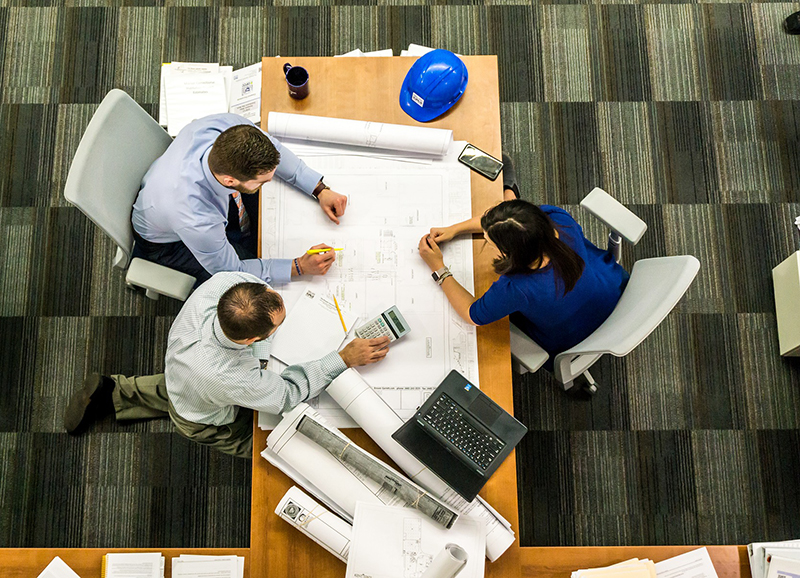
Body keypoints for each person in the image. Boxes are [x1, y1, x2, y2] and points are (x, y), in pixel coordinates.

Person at [64, 272, 390, 458]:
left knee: (182, 386)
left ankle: (115, 391)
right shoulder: (230, 377)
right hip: (203, 415)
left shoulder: (226, 284)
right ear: (250, 340)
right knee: (271, 445)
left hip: (184, 368)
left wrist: (259, 354)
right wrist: (343, 358)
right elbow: (287, 395)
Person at [417, 157, 629, 370]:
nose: (486, 242)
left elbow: (473, 315)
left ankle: (510, 190)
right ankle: (511, 191)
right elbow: (508, 222)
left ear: (512, 254)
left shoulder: (517, 288)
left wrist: (438, 268)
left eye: (490, 242)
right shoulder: (557, 219)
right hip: (612, 290)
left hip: (575, 338)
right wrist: (455, 229)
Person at [131, 113, 350, 285]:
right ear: (229, 181)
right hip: (167, 243)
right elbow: (232, 271)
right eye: (262, 181)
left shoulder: (227, 127)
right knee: (250, 285)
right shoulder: (196, 218)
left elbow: (274, 149)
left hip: (172, 192)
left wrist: (318, 188)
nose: (269, 182)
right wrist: (298, 267)